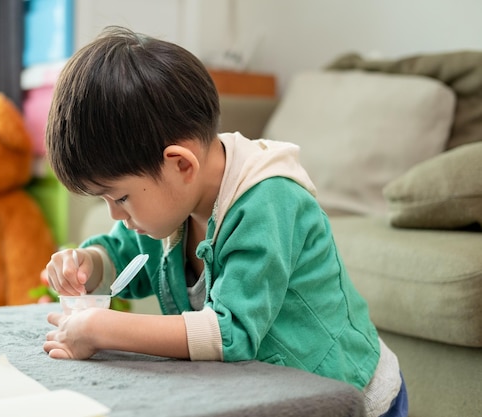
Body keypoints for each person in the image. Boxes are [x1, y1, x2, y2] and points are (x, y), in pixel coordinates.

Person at [42, 26, 408, 417]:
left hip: (345, 394)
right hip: (261, 388)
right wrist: (89, 263)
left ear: (181, 164)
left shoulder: (268, 203)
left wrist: (103, 329)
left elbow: (229, 333)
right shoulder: (175, 205)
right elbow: (126, 253)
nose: (116, 214)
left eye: (121, 197)